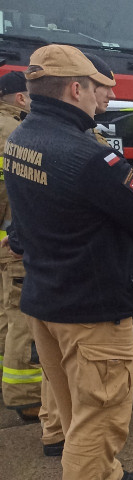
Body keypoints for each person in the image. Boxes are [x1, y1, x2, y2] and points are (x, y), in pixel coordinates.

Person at [6, 44, 133, 480]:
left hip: (46, 296)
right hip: (91, 304)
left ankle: (106, 476)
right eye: (100, 89)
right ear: (76, 88)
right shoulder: (89, 155)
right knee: (101, 410)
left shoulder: (23, 137)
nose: (105, 99)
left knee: (76, 403)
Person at [0, 70, 43, 422]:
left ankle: (6, 378)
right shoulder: (15, 134)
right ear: (20, 98)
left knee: (5, 311)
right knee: (24, 319)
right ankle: (27, 396)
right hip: (15, 242)